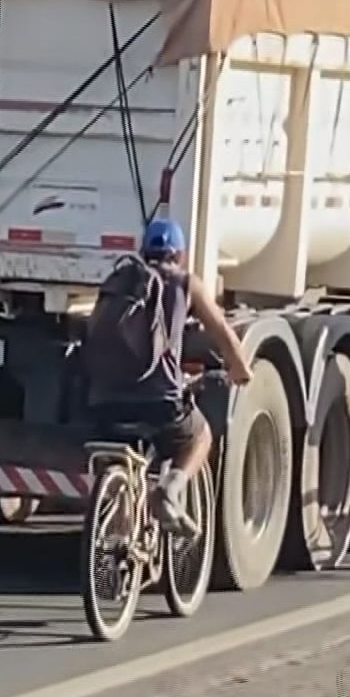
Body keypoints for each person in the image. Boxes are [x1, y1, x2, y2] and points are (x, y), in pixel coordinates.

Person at [85, 218, 253, 536]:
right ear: (180, 255)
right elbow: (224, 334)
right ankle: (171, 488)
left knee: (120, 457)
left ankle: (117, 542)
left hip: (103, 401)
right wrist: (240, 369)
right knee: (199, 435)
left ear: (142, 251)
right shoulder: (186, 284)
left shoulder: (118, 280)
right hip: (159, 404)